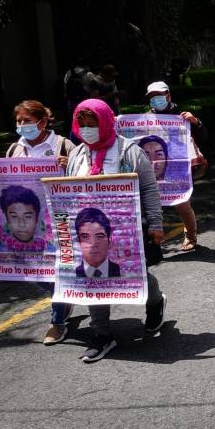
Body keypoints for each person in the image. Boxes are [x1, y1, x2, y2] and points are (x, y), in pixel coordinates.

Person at [0, 99, 75, 345]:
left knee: (55, 268)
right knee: (36, 271)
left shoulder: (62, 145)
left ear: (43, 121)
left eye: (27, 121)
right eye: (18, 121)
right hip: (26, 224)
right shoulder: (15, 148)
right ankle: (65, 297)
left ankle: (57, 323)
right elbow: (3, 182)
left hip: (58, 219)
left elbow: (81, 175)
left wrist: (69, 167)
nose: (22, 125)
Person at [65, 98, 167, 363]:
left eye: (93, 123)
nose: (88, 129)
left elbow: (148, 188)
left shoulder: (129, 151)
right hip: (87, 231)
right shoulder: (77, 154)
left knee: (135, 275)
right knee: (91, 277)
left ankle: (155, 301)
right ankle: (102, 334)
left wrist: (155, 224)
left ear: (107, 121)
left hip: (126, 228)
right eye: (83, 124)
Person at [146, 81, 207, 252]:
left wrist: (196, 122)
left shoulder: (181, 115)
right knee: (150, 204)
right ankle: (152, 241)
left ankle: (191, 236)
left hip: (178, 167)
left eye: (158, 95)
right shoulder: (145, 118)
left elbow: (203, 137)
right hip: (153, 168)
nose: (155, 99)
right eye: (151, 97)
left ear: (168, 96)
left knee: (182, 203)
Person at [74, 207, 122, 278]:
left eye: (99, 236)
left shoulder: (122, 272)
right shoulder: (72, 273)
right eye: (85, 237)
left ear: (109, 240)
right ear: (79, 242)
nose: (93, 244)